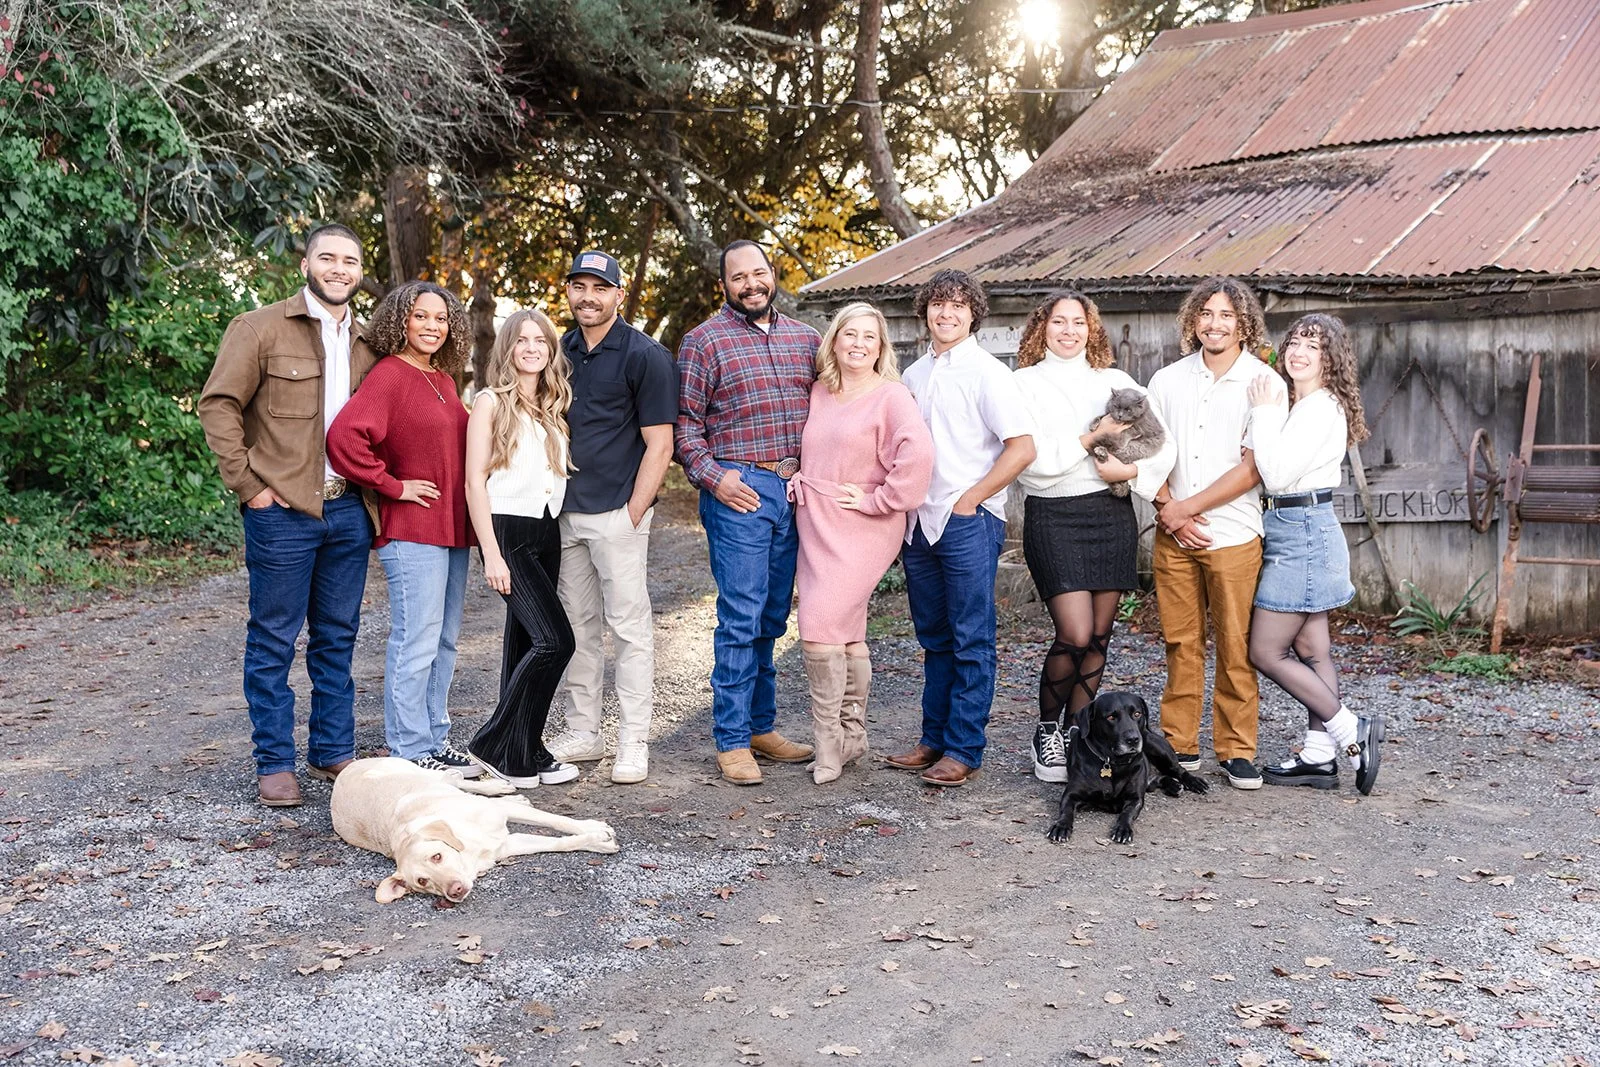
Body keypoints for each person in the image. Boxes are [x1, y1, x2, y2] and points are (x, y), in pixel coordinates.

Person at [198, 223, 378, 807]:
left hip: (348, 509)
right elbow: (218, 405)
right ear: (306, 263)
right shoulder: (259, 328)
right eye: (328, 257)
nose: (339, 269)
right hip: (282, 512)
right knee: (274, 638)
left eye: (349, 261)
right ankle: (274, 762)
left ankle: (332, 750)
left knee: (337, 637)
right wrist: (249, 487)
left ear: (358, 271)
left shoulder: (370, 342)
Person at [1013, 289, 1175, 783]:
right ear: (1042, 327)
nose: (1068, 331)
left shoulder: (1117, 382)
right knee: (1075, 633)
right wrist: (1090, 439)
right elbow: (1032, 464)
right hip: (1054, 515)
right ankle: (1047, 730)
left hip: (1110, 514)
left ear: (1092, 329)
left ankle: (1078, 733)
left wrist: (1124, 473)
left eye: (1078, 323)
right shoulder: (1021, 384)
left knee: (1100, 636)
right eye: (1058, 322)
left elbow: (1162, 447)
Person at [677, 240, 820, 786]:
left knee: (772, 616)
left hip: (794, 489)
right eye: (739, 277)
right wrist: (718, 479)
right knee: (741, 615)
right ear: (725, 286)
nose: (751, 284)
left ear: (772, 275)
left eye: (758, 273)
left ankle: (762, 726)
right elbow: (686, 425)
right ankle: (733, 739)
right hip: (741, 489)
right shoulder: (703, 343)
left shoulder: (807, 339)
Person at [885, 269, 1035, 788]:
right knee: (935, 637)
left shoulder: (990, 373)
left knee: (971, 638)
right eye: (937, 304)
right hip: (918, 522)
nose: (946, 314)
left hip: (967, 520)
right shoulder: (914, 374)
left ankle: (965, 747)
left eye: (957, 305)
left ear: (973, 313)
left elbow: (1022, 447)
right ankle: (933, 739)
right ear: (925, 310)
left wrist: (972, 498)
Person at [327, 281, 480, 777]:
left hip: (453, 527)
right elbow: (344, 439)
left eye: (441, 318)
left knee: (446, 639)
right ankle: (409, 748)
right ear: (401, 322)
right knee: (416, 639)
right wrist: (392, 485)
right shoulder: (390, 375)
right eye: (421, 316)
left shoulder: (445, 380)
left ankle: (435, 736)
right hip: (412, 528)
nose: (432, 326)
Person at [789, 303, 934, 784]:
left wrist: (880, 499)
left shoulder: (892, 396)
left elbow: (917, 459)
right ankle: (852, 735)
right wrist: (797, 477)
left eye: (869, 337)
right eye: (849, 334)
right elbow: (817, 450)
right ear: (834, 340)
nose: (858, 343)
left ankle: (828, 743)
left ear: (881, 346)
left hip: (864, 524)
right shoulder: (820, 392)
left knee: (818, 623)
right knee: (846, 631)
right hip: (817, 520)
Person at [548, 251, 677, 785]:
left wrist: (634, 512)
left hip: (617, 514)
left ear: (618, 295)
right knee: (576, 627)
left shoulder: (645, 355)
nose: (587, 297)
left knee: (628, 630)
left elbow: (660, 443)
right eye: (578, 286)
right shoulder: (560, 350)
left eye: (599, 287)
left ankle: (632, 741)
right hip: (563, 513)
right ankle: (584, 732)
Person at [1246, 313, 1384, 794]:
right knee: (1311, 649)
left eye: (1315, 346)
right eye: (1296, 342)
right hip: (1300, 527)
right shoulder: (1303, 405)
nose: (1300, 352)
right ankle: (1319, 757)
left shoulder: (1320, 408)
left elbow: (1279, 474)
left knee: (1265, 650)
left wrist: (1263, 411)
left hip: (1300, 531)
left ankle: (1349, 730)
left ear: (1332, 360)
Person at [1145, 276, 1269, 790]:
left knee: (1236, 644)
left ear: (1243, 323)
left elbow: (1255, 466)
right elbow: (1146, 451)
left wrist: (1185, 509)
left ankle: (1237, 750)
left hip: (1234, 535)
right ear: (1193, 320)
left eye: (1226, 315)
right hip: (1173, 534)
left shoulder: (1263, 383)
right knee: (1181, 641)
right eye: (1206, 314)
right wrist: (1167, 507)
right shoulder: (1166, 380)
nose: (1215, 324)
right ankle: (1179, 746)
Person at [463, 308, 581, 789]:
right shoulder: (490, 402)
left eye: (541, 340)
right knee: (557, 641)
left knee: (528, 643)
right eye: (522, 340)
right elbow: (474, 481)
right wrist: (490, 552)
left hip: (546, 529)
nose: (532, 347)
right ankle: (491, 743)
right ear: (508, 349)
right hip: (507, 531)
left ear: (551, 350)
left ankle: (524, 751)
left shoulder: (552, 406)